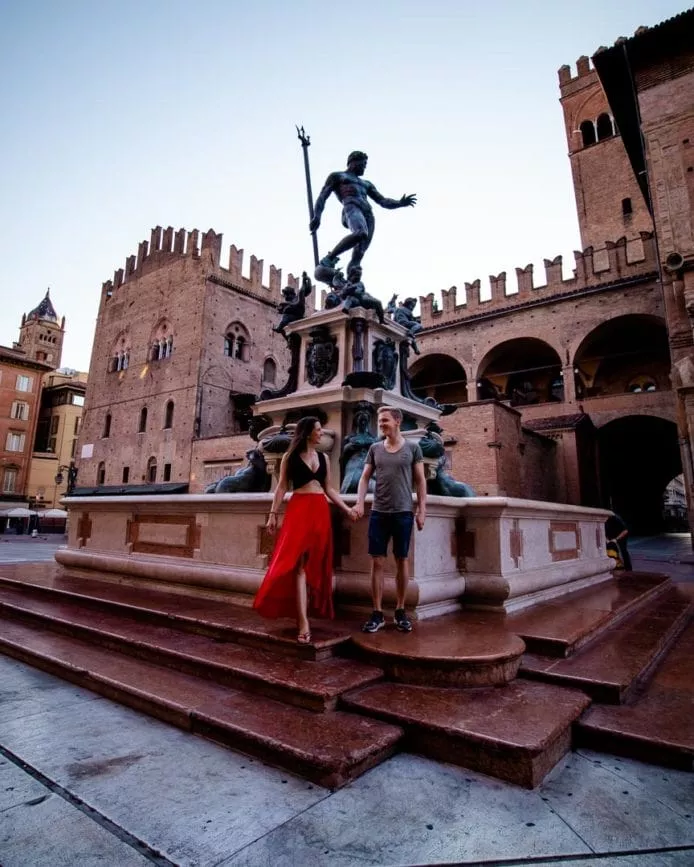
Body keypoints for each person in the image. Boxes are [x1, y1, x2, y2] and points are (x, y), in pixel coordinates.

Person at [253, 416, 355, 644]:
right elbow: (281, 488)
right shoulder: (290, 457)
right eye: (318, 430)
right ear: (308, 432)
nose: (321, 433)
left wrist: (347, 510)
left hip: (319, 511)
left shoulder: (324, 458)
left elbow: (329, 489)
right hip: (299, 511)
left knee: (313, 565)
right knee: (298, 565)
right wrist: (272, 514)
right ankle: (303, 622)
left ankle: (305, 614)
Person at [354, 406, 427, 633]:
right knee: (377, 561)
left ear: (397, 421)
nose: (381, 424)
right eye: (380, 421)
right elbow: (364, 478)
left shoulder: (413, 449)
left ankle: (400, 610)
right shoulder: (375, 449)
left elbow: (421, 481)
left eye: (385, 420)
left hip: (403, 512)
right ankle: (377, 613)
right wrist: (359, 502)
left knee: (402, 560)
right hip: (379, 512)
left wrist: (422, 509)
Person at [309, 151, 416, 274]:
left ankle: (351, 281)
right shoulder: (338, 176)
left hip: (368, 215)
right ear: (353, 162)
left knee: (360, 252)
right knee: (360, 233)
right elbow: (323, 196)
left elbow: (382, 201)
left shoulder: (366, 184)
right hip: (351, 207)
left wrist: (400, 203)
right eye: (363, 164)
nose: (365, 167)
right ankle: (330, 258)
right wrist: (317, 216)